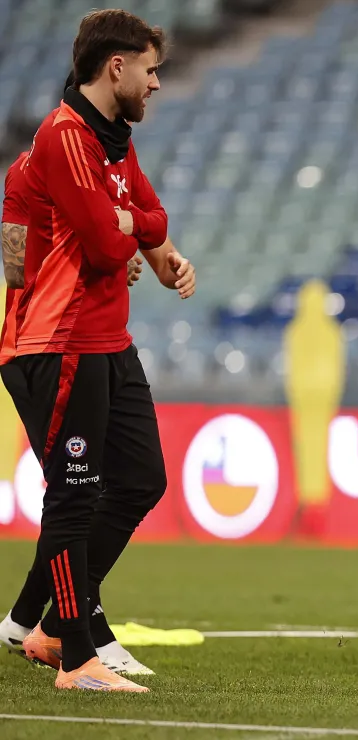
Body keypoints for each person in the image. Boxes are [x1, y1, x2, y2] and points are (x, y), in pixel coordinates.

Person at [0, 9, 187, 692]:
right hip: (60, 340)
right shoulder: (64, 137)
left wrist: (128, 225)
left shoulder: (114, 143)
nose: (157, 83)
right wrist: (125, 232)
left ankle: (43, 624)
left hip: (108, 340)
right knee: (75, 495)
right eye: (150, 68)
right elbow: (109, 248)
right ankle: (74, 656)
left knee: (140, 481)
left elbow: (150, 219)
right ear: (117, 67)